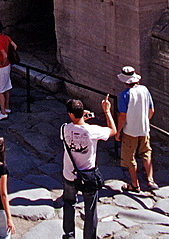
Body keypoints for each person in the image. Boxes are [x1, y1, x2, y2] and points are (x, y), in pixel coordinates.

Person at [61, 96, 116, 239]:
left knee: (69, 204)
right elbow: (113, 130)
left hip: (70, 174)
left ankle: (69, 235)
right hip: (88, 175)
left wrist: (80, 119)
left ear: (71, 114)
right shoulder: (93, 131)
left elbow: (75, 126)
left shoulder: (64, 129)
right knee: (90, 209)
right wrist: (107, 111)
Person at [116, 66, 156, 192]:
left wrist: (118, 132)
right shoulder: (145, 90)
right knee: (146, 152)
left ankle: (134, 184)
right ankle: (150, 179)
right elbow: (151, 110)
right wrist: (145, 121)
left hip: (130, 130)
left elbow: (122, 116)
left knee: (129, 157)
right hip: (144, 128)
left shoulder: (124, 95)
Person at [0, 22, 15, 120]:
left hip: (0, 67)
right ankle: (7, 107)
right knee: (6, 87)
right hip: (7, 66)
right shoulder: (6, 37)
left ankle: (3, 112)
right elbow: (14, 46)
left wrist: (2, 62)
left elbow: (4, 55)